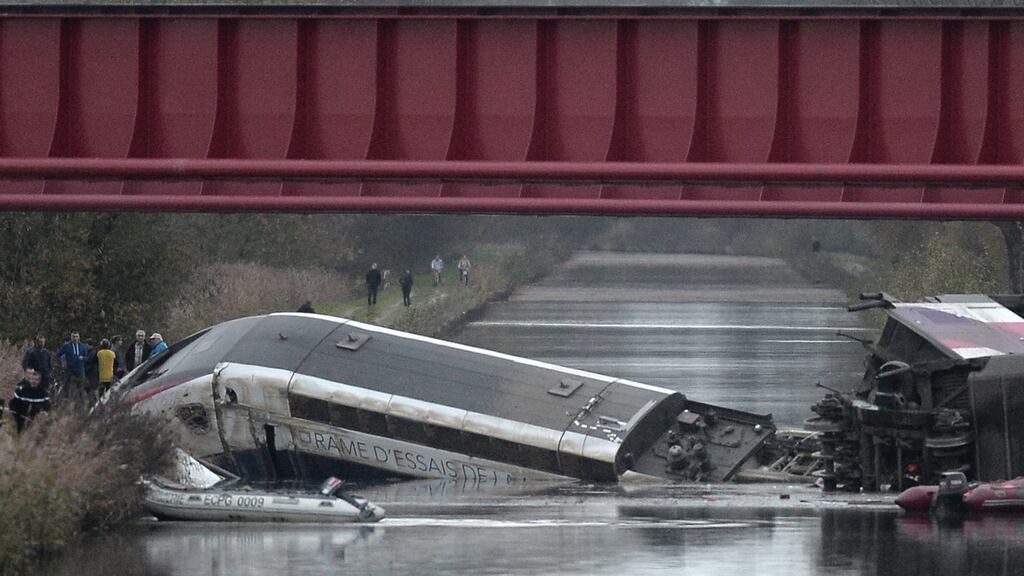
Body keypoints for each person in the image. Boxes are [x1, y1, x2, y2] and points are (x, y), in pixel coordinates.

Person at [9, 369, 50, 433]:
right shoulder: (21, 391)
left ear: (39, 381)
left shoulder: (43, 393)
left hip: (36, 423)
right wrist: (18, 415)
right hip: (21, 421)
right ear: (29, 379)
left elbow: (47, 407)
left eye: (36, 380)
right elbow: (13, 404)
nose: (34, 382)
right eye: (32, 379)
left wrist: (44, 413)